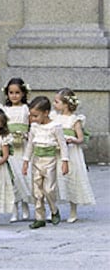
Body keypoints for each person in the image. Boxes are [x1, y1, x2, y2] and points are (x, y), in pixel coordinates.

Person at [22, 96, 69, 229]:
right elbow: (30, 145)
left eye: (35, 116)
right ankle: (39, 217)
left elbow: (63, 145)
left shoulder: (55, 127)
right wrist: (26, 161)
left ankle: (54, 210)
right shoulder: (34, 127)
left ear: (46, 113)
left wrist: (65, 161)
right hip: (36, 161)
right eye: (31, 116)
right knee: (37, 190)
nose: (32, 119)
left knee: (49, 189)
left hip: (50, 161)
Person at [51, 88, 95, 223]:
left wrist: (73, 140)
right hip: (57, 153)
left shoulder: (74, 120)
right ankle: (53, 210)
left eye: (56, 101)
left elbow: (81, 138)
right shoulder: (54, 117)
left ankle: (73, 210)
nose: (54, 104)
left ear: (65, 104)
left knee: (71, 178)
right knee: (54, 179)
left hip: (71, 153)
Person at [0, 78, 33, 222]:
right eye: (11, 93)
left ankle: (26, 206)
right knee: (12, 178)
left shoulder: (27, 109)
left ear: (23, 93)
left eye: (17, 93)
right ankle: (14, 209)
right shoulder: (4, 110)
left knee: (25, 177)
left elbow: (31, 126)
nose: (14, 96)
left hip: (24, 147)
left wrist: (26, 135)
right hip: (10, 148)